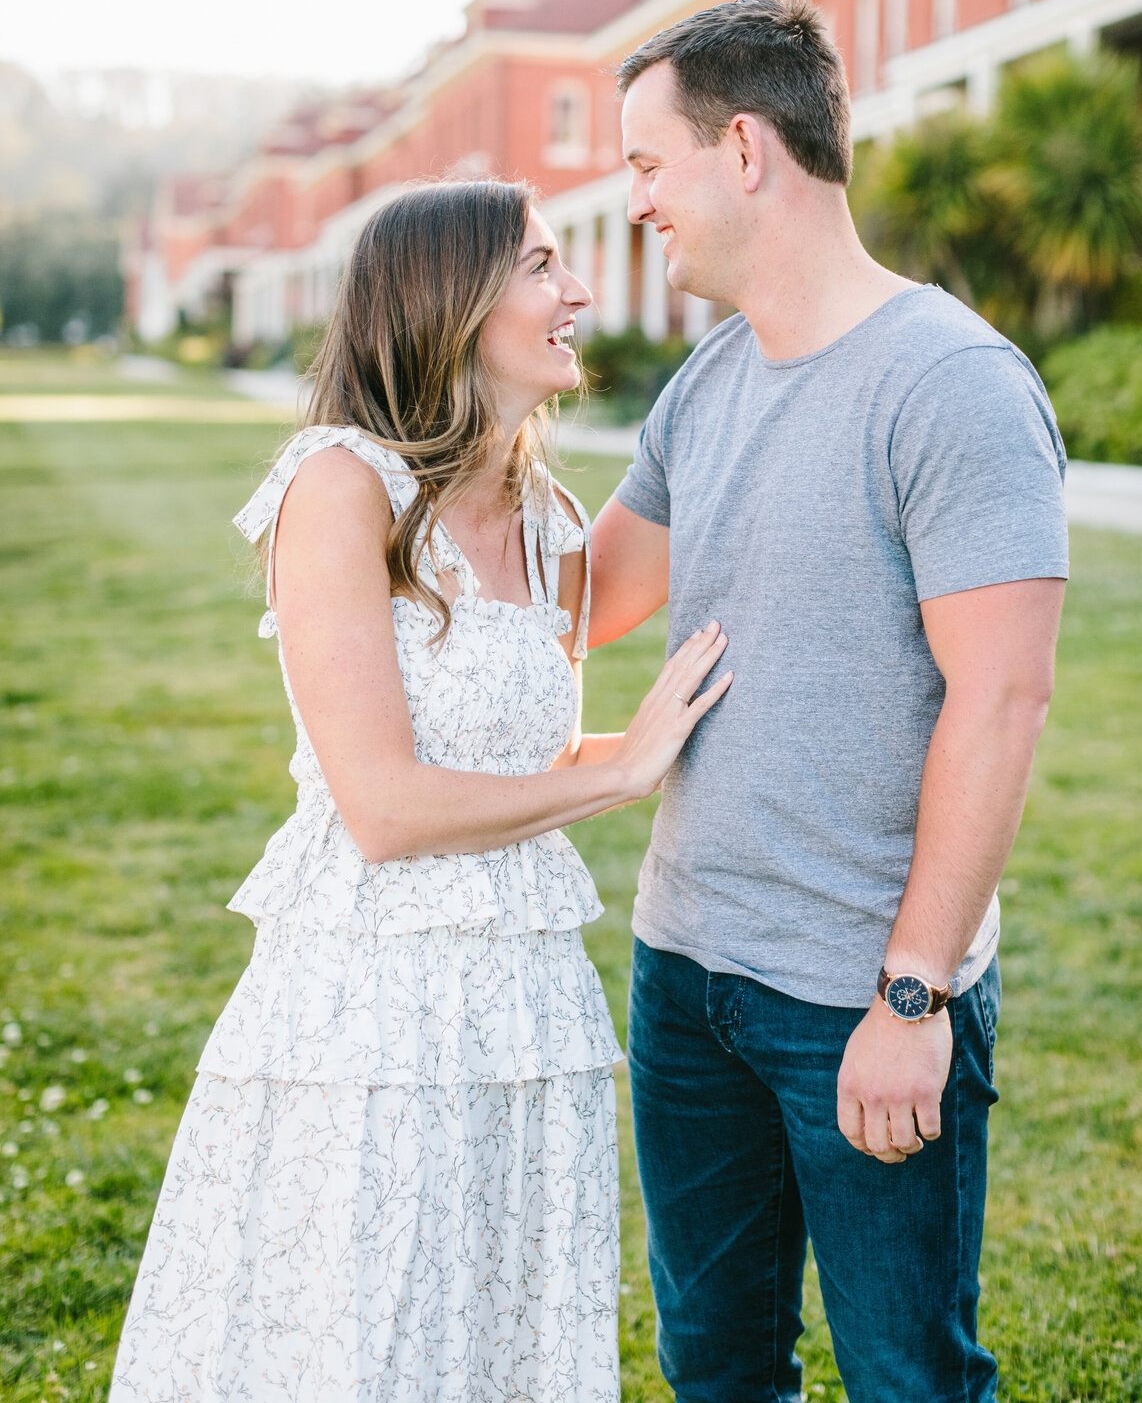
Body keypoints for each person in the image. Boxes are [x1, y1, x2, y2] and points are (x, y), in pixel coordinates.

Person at [108, 180, 731, 1403]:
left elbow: (509, 766)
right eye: (544, 266)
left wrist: (646, 745)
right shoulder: (339, 489)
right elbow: (385, 807)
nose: (579, 293)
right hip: (369, 999)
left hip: (527, 998)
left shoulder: (551, 520)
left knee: (502, 1326)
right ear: (453, 301)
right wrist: (619, 770)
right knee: (364, 1330)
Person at [588, 0, 1069, 1403]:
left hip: (862, 992)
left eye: (646, 164)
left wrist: (912, 999)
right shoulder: (712, 374)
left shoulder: (954, 384)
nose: (636, 204)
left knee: (909, 1376)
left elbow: (1002, 704)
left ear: (745, 151)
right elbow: (583, 601)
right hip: (687, 974)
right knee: (718, 1365)